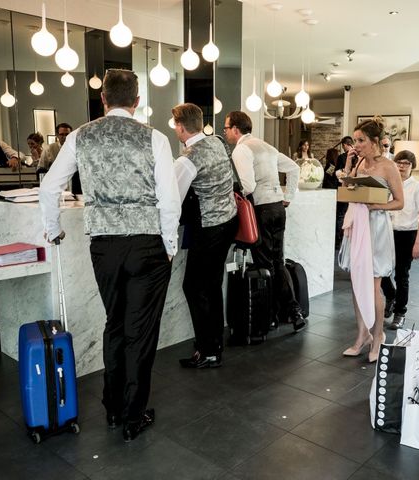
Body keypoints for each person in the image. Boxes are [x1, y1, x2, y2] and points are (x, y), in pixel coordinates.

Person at [39, 69, 181, 442]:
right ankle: (134, 416)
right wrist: (169, 244)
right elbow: (168, 198)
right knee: (141, 333)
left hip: (104, 245)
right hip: (147, 244)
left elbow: (49, 185)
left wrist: (53, 231)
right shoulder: (155, 138)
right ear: (137, 101)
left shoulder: (80, 136)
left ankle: (113, 407)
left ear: (103, 100)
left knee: (114, 324)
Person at [224, 110, 306, 332]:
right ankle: (292, 311)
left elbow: (248, 186)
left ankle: (272, 316)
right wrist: (288, 197)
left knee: (265, 265)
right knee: (277, 261)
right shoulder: (266, 146)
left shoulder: (241, 149)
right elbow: (294, 168)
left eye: (226, 128)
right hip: (278, 207)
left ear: (235, 129)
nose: (225, 132)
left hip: (261, 210)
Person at [172, 103, 237, 369]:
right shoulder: (218, 142)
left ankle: (207, 349)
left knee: (195, 287)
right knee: (210, 285)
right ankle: (213, 347)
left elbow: (172, 199)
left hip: (209, 227)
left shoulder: (187, 159)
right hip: (228, 221)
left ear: (180, 126)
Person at [340, 117, 404, 363]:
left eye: (361, 140)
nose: (356, 145)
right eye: (355, 140)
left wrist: (375, 206)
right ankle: (361, 335)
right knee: (357, 282)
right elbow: (352, 189)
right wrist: (348, 172)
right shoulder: (358, 163)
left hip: (376, 227)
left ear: (374, 141)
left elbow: (399, 201)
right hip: (358, 224)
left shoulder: (388, 167)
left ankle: (378, 336)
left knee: (374, 285)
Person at [381, 150, 419, 329]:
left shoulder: (418, 187)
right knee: (381, 270)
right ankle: (391, 295)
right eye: (399, 162)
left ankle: (400, 313)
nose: (401, 166)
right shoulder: (388, 185)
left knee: (402, 275)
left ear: (412, 167)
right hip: (387, 232)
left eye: (406, 163)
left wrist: (418, 242)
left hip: (407, 234)